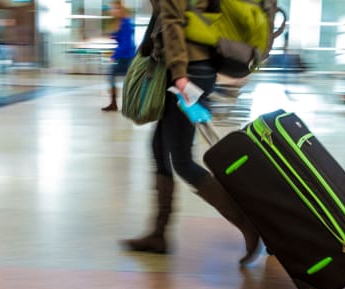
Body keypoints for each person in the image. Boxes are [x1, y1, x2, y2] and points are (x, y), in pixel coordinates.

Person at [120, 0, 261, 265]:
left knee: (182, 160)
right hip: (190, 68)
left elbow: (173, 22)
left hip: (185, 72)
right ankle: (158, 234)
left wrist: (180, 74)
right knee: (159, 149)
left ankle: (248, 224)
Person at [101, 1, 136, 112]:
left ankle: (119, 104)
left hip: (127, 58)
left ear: (120, 10)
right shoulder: (121, 22)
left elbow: (126, 44)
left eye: (115, 8)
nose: (112, 11)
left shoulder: (126, 23)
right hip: (125, 57)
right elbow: (122, 38)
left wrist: (114, 55)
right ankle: (115, 103)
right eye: (112, 8)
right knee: (116, 77)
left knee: (125, 80)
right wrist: (114, 36)